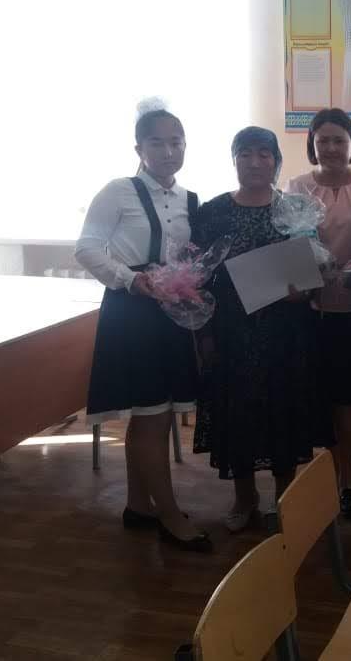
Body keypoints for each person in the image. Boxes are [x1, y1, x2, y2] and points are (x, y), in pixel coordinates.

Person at [75, 101, 210, 552]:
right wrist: (131, 280)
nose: (169, 151)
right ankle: (170, 515)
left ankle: (138, 505)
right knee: (152, 415)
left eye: (177, 142)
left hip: (172, 313)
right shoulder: (118, 191)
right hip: (132, 313)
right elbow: (86, 248)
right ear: (139, 148)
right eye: (157, 143)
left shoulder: (190, 200)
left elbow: (191, 257)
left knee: (157, 413)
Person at [191, 126, 331, 532]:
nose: (254, 163)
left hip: (287, 331)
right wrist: (204, 335)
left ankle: (284, 497)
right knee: (239, 412)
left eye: (264, 154)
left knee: (283, 411)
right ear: (233, 160)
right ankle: (244, 496)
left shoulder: (297, 209)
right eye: (245, 154)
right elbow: (199, 275)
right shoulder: (213, 211)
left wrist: (306, 290)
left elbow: (318, 266)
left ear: (276, 161)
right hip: (232, 330)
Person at [287, 108, 351, 520]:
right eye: (323, 140)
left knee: (348, 400)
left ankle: (348, 479)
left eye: (340, 140)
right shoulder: (297, 188)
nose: (331, 148)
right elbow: (291, 245)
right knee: (315, 398)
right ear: (312, 144)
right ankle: (319, 477)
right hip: (311, 309)